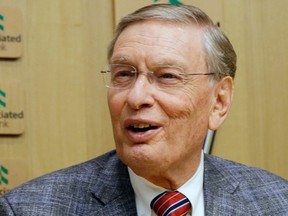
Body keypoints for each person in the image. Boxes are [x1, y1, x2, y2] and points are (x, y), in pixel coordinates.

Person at [0, 4, 287, 216]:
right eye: (124, 74)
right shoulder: (29, 209)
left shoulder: (277, 202)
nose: (136, 97)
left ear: (219, 101)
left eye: (167, 76)